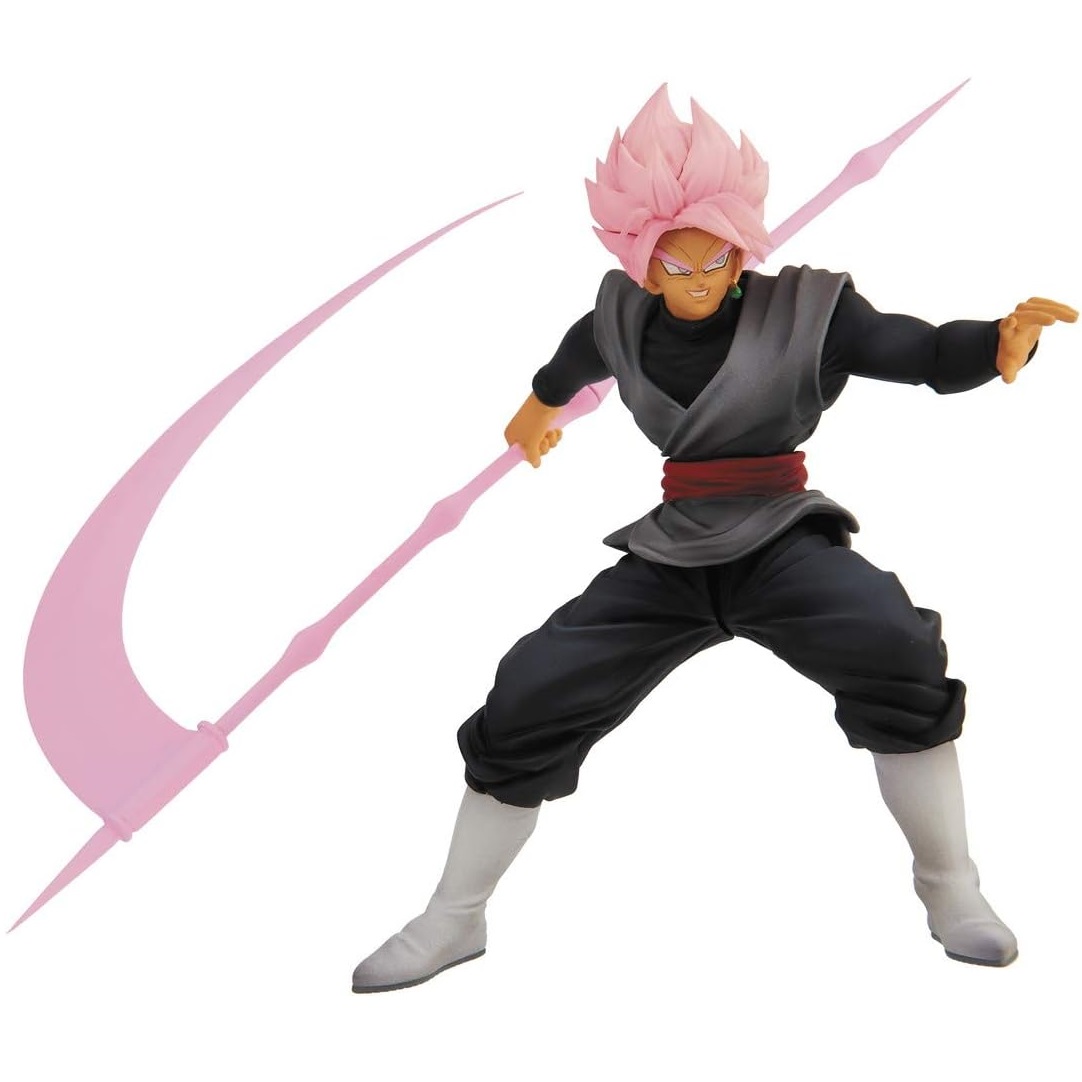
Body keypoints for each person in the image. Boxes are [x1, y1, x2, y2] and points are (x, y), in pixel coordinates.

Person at [351, 86, 1076, 993]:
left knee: (893, 646)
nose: (697, 279)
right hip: (672, 548)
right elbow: (565, 370)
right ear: (641, 258)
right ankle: (455, 915)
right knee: (534, 686)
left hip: (781, 534)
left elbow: (920, 352)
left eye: (716, 258)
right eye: (675, 262)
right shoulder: (617, 318)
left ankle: (950, 884)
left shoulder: (811, 310)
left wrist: (998, 344)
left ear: (741, 249)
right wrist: (533, 418)